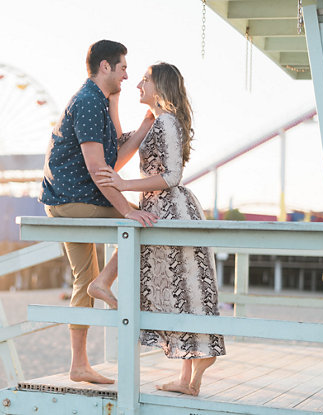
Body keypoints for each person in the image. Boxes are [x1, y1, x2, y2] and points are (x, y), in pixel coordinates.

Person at [90, 62, 226, 395]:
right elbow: (120, 141)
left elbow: (172, 177)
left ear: (160, 87)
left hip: (172, 209)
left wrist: (123, 184)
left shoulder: (166, 122)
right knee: (182, 291)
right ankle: (188, 379)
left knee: (188, 290)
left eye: (145, 80)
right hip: (158, 208)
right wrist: (116, 97)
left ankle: (193, 375)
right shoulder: (155, 122)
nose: (138, 83)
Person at [39, 40, 158, 384]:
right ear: (105, 66)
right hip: (77, 201)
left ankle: (79, 365)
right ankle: (105, 283)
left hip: (60, 202)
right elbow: (97, 169)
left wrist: (144, 125)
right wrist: (126, 211)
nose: (126, 75)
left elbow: (113, 163)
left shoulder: (95, 101)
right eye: (122, 67)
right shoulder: (90, 103)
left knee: (82, 279)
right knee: (145, 225)